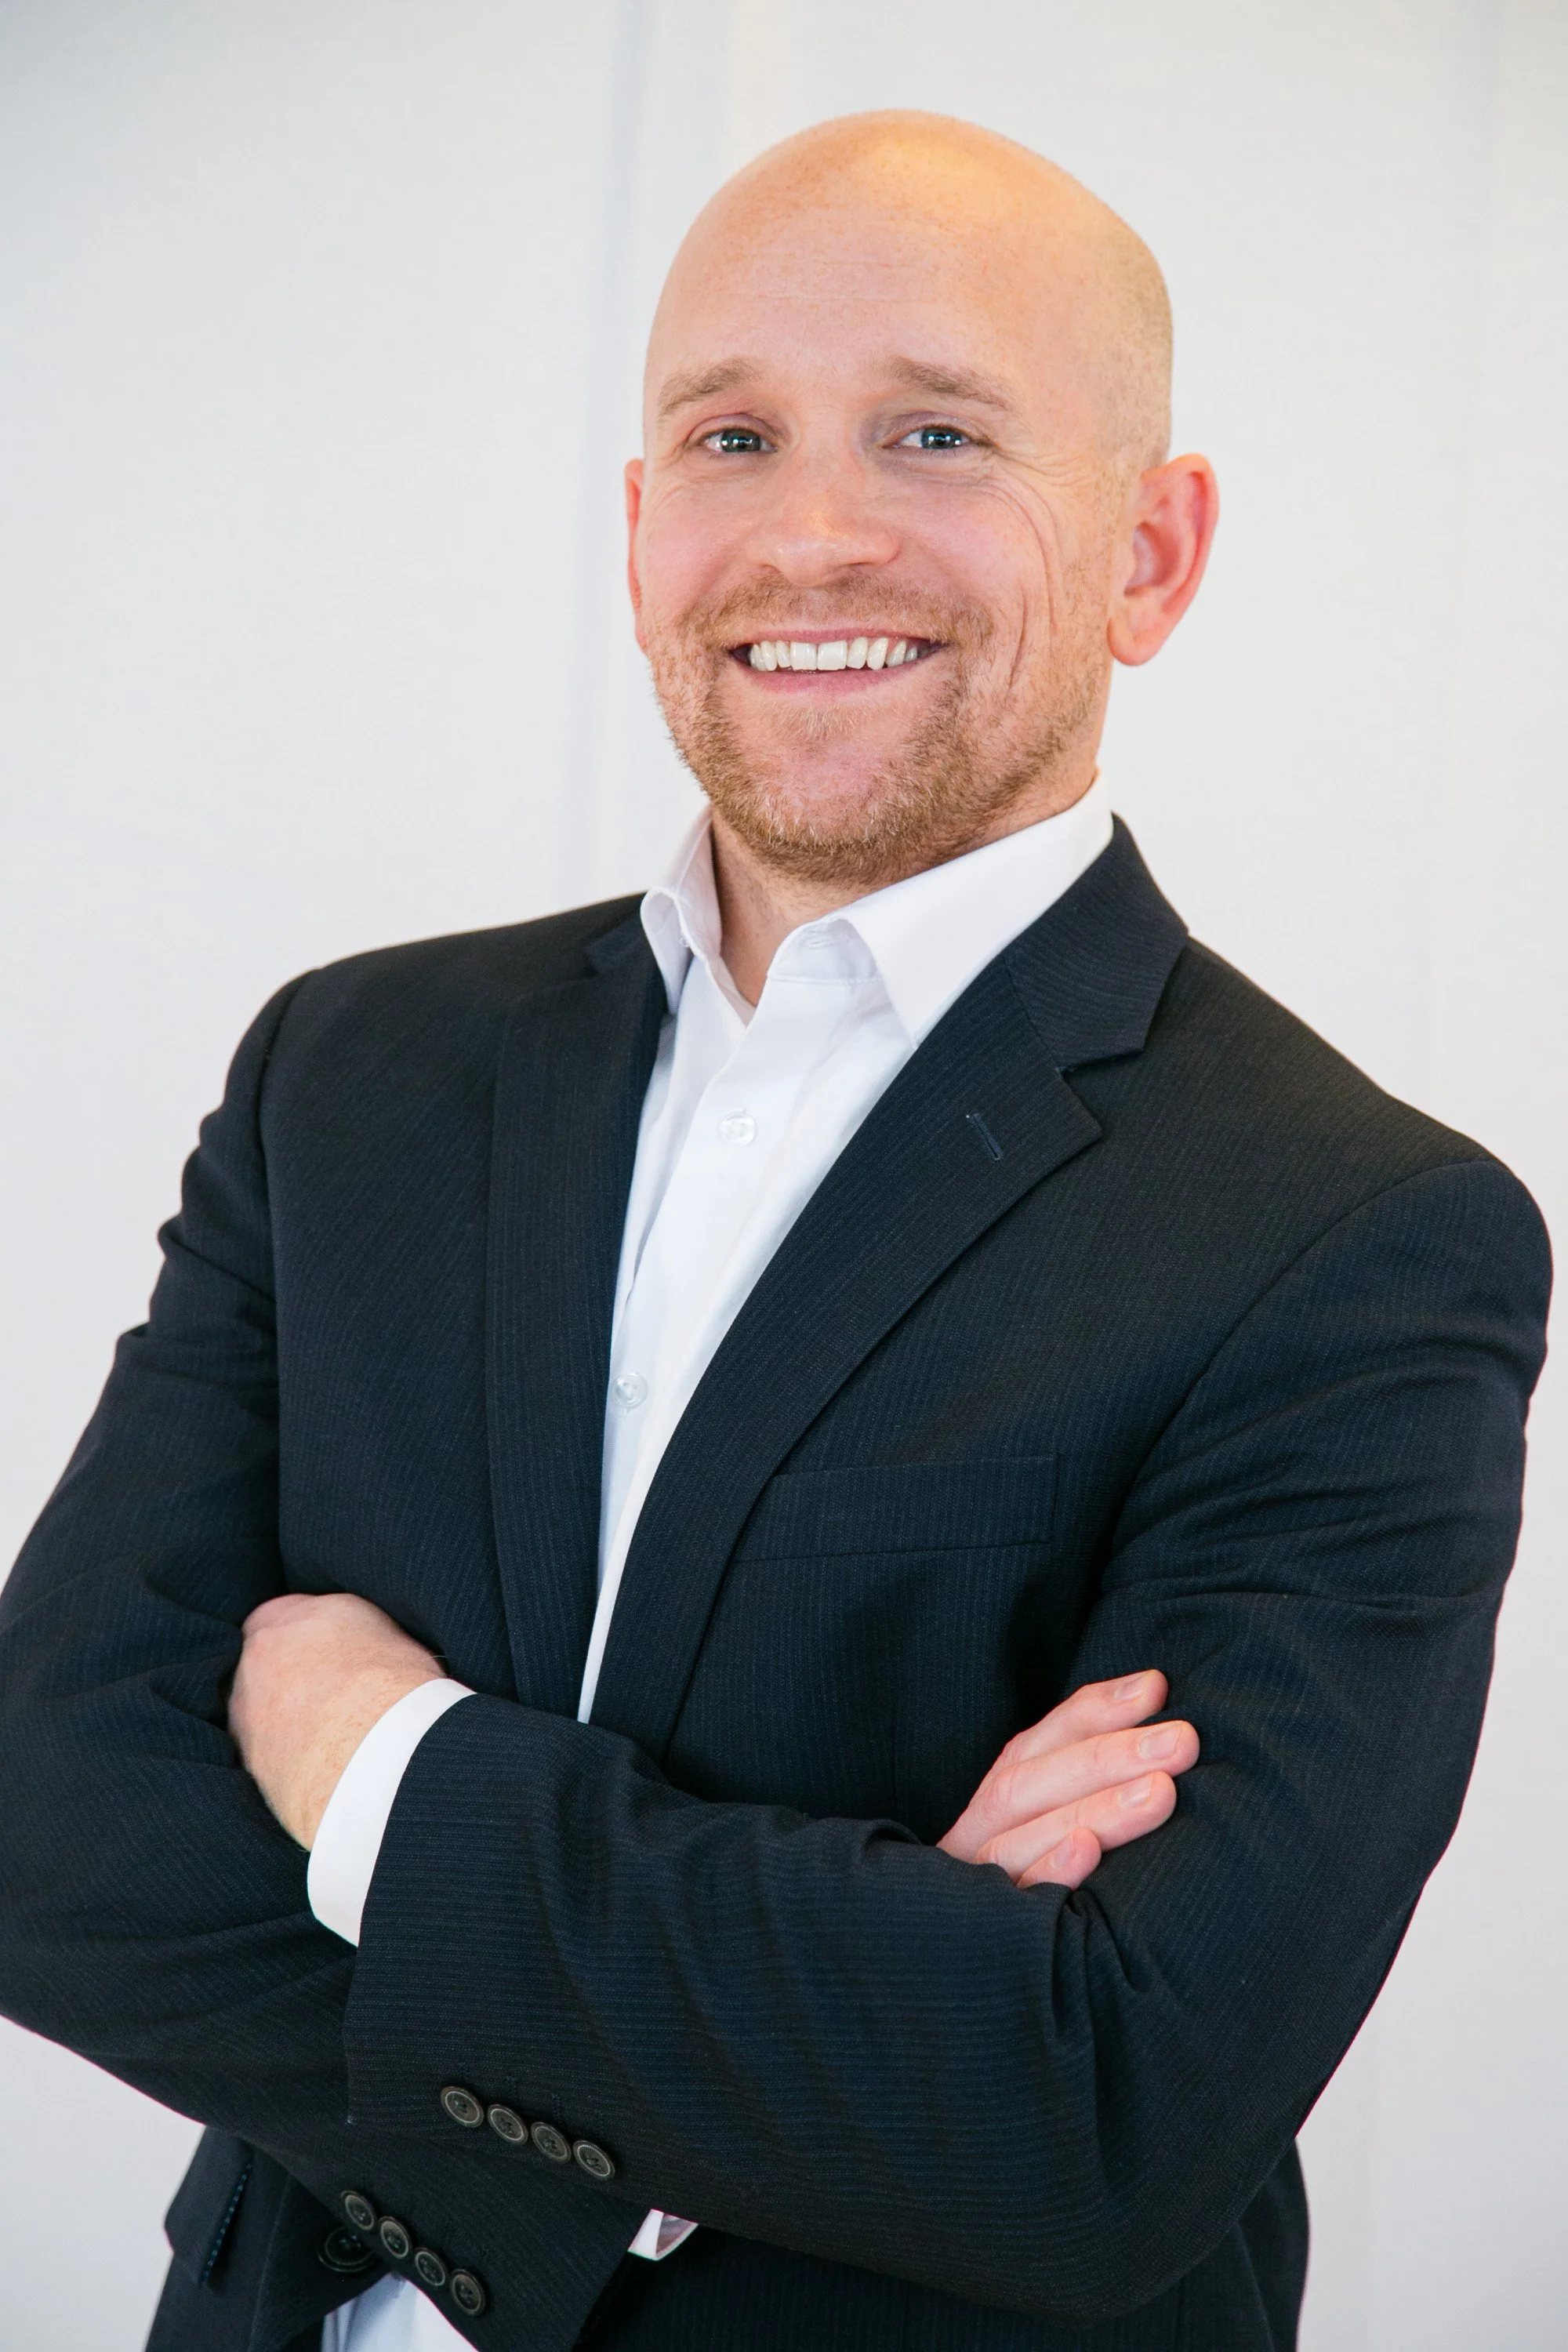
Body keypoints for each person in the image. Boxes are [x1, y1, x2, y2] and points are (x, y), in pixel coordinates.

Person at [0, 109, 1548, 2352]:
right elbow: (55, 1824)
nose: (813, 532)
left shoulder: (1361, 1235)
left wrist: (384, 1776)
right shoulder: (354, 1073)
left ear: (1153, 551)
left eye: (936, 431)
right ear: (640, 536)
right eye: (732, 437)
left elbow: (1097, 2110)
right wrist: (871, 1966)